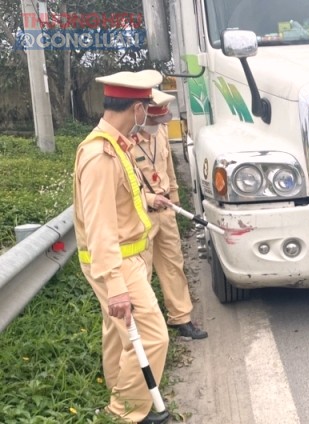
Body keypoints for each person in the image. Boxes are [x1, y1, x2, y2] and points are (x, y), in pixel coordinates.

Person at [73, 70, 170, 424]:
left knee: (118, 336)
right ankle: (125, 412)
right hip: (118, 262)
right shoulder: (101, 156)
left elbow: (120, 196)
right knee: (154, 337)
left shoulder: (115, 145)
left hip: (122, 258)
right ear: (136, 108)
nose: (147, 113)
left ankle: (118, 388)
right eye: (145, 106)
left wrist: (146, 200)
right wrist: (116, 286)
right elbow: (100, 226)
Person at [134, 89, 208, 340]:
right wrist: (148, 198)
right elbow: (120, 188)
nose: (159, 125)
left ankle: (181, 319)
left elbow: (168, 170)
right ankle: (144, 330)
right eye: (155, 121)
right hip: (139, 216)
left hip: (165, 211)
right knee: (141, 271)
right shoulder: (124, 141)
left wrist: (173, 199)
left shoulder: (161, 133)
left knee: (173, 266)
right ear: (143, 117)